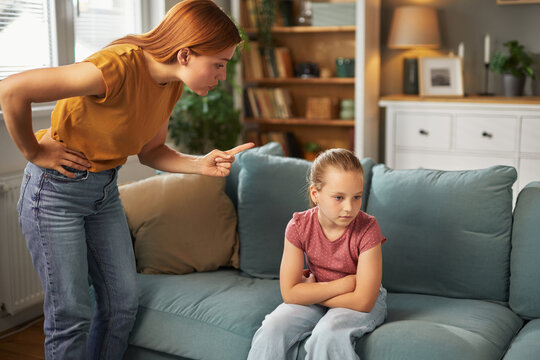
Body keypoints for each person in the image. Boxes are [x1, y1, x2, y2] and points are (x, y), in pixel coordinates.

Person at [0, 0, 253, 359]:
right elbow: (12, 90)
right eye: (219, 65)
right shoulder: (115, 67)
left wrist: (200, 164)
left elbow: (151, 152)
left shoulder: (169, 84)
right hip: (55, 194)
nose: (222, 75)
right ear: (185, 55)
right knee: (70, 314)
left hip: (103, 194)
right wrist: (34, 152)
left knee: (122, 303)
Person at [247, 148, 387, 360]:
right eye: (339, 197)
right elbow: (290, 294)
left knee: (328, 333)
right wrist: (341, 285)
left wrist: (313, 293)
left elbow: (363, 301)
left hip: (337, 296)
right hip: (321, 292)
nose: (349, 207)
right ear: (315, 194)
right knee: (273, 327)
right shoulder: (298, 226)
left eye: (356, 197)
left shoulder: (368, 228)